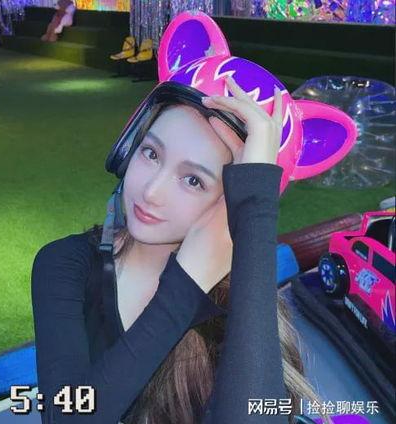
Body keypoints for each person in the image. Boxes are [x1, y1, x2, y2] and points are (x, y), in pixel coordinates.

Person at [31, 11, 357, 424]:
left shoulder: (240, 305)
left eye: (193, 180)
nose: (151, 191)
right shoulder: (65, 264)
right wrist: (185, 285)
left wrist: (253, 217)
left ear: (231, 206)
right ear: (129, 145)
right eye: (151, 153)